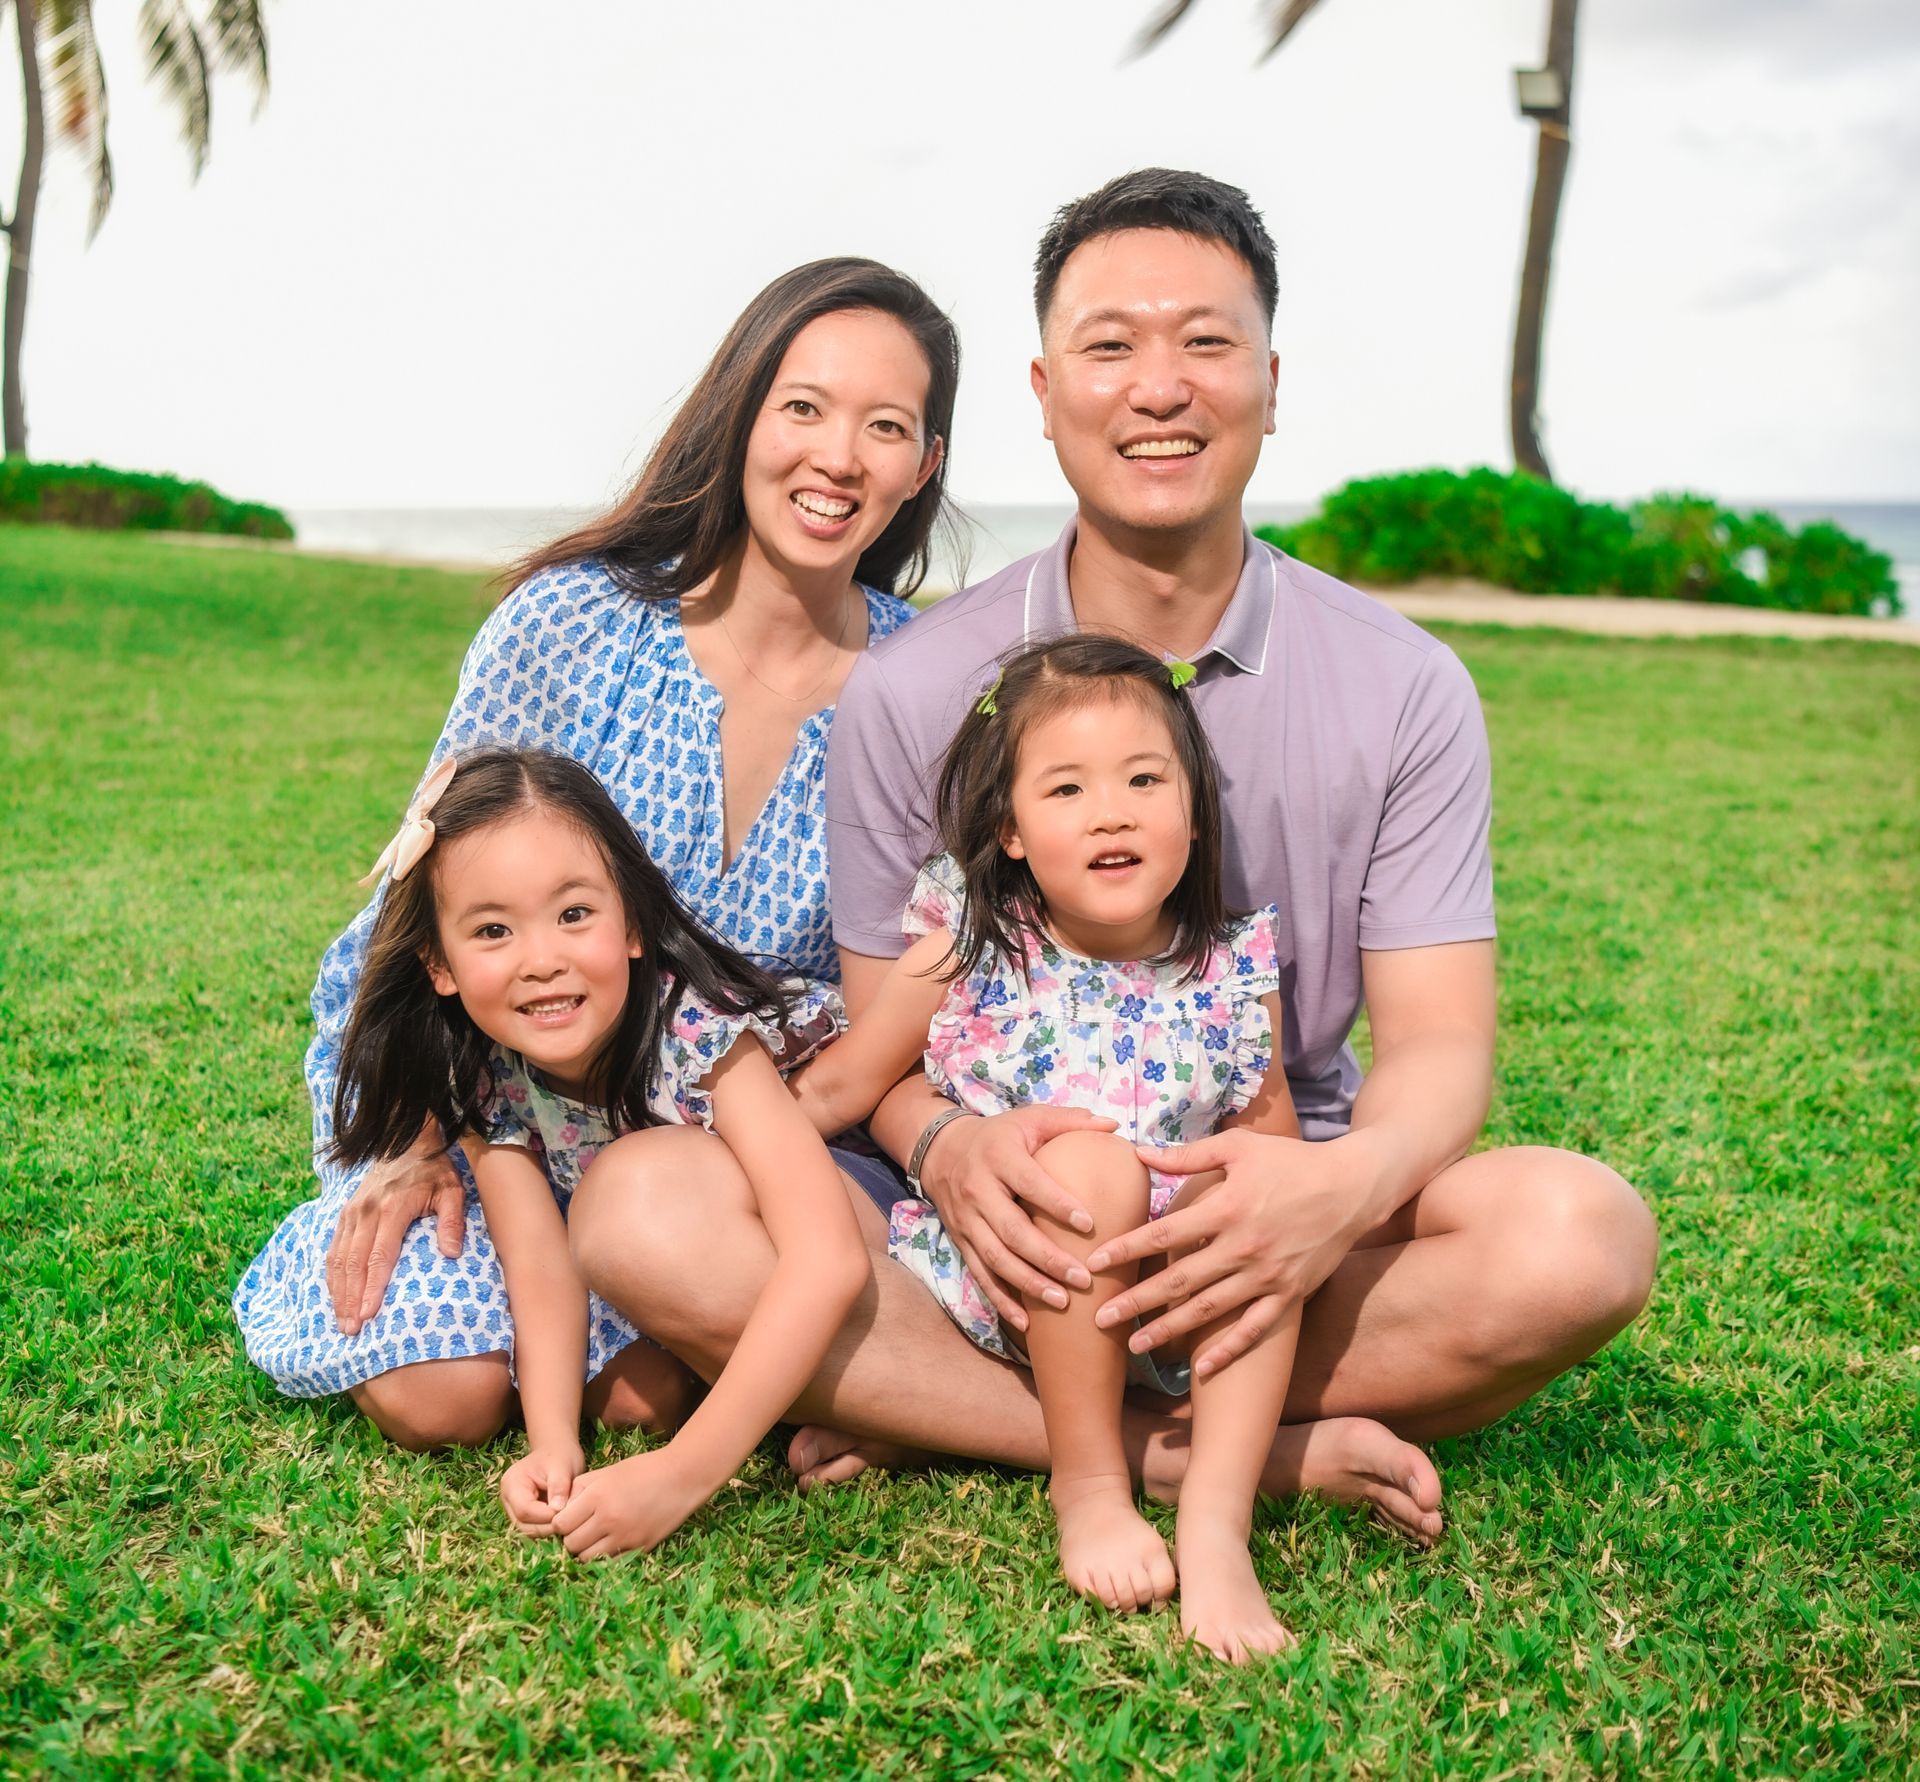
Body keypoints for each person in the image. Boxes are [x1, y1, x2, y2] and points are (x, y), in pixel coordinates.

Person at [568, 170, 1656, 1549]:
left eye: (1205, 342)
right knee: (642, 1204)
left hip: (1266, 1205)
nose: (1160, 387)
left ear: (1270, 377)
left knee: (1581, 1233)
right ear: (1041, 388)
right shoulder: (919, 691)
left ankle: (952, 1415)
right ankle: (1173, 1455)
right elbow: (885, 1038)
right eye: (1110, 344)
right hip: (1003, 1221)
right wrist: (951, 1145)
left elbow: (1439, 1049)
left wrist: (1337, 1190)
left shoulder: (1406, 684)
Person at [233, 257, 958, 1449]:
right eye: (804, 407)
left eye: (885, 427)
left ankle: (724, 1339)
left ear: (922, 466)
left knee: (633, 1396)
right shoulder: (576, 617)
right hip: (496, 1100)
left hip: (733, 1129)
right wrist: (415, 1135)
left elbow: (930, 963)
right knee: (443, 1394)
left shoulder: (923, 679)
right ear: (742, 414)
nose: (838, 456)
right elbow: (428, 896)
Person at [791, 634, 1307, 1661]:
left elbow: (1270, 1132)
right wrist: (730, 1117)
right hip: (1004, 1279)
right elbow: (854, 1081)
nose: (1111, 811)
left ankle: (1216, 1524)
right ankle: (1091, 1486)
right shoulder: (970, 940)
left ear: (1194, 815)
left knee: (1259, 1209)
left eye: (1144, 780)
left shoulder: (1233, 969)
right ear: (1012, 831)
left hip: (1175, 1303)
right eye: (1065, 789)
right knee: (1087, 1164)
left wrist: (1281, 1208)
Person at [329, 748, 862, 1556]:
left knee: (686, 1383)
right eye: (493, 930)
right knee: (623, 1402)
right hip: (701, 1244)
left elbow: (828, 1258)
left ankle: (903, 1415)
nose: (543, 959)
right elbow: (540, 1268)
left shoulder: (700, 1031)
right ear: (439, 964)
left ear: (634, 922)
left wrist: (683, 1474)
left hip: (872, 1203)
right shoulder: (483, 1065)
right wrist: (552, 1445)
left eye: (574, 915)